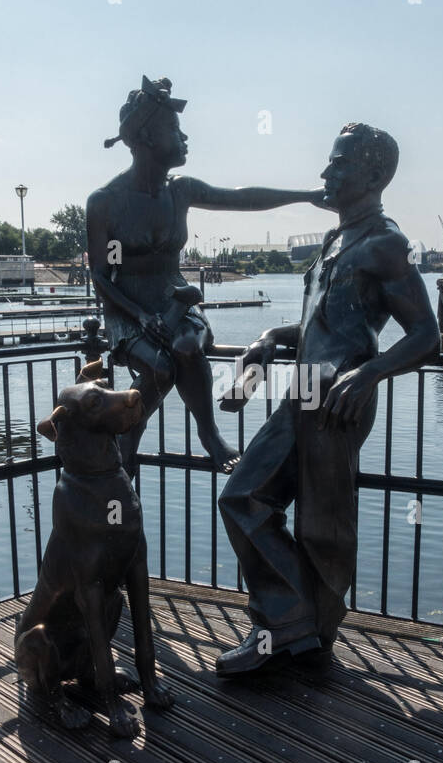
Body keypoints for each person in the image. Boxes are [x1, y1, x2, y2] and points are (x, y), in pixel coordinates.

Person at [216, 122, 440, 675]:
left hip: (337, 398)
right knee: (244, 496)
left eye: (338, 163)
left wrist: (367, 377)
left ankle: (300, 635)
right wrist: (271, 340)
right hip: (306, 390)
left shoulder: (385, 243)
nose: (325, 173)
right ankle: (293, 625)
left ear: (371, 175)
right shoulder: (336, 239)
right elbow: (323, 325)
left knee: (322, 525)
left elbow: (425, 335)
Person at [86, 76, 326, 474]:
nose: (184, 138)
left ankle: (206, 434)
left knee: (185, 347)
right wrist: (140, 316)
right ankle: (127, 436)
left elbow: (241, 198)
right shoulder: (106, 201)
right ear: (146, 137)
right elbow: (100, 275)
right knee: (159, 367)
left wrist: (305, 195)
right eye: (174, 130)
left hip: (176, 302)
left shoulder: (180, 190)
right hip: (127, 310)